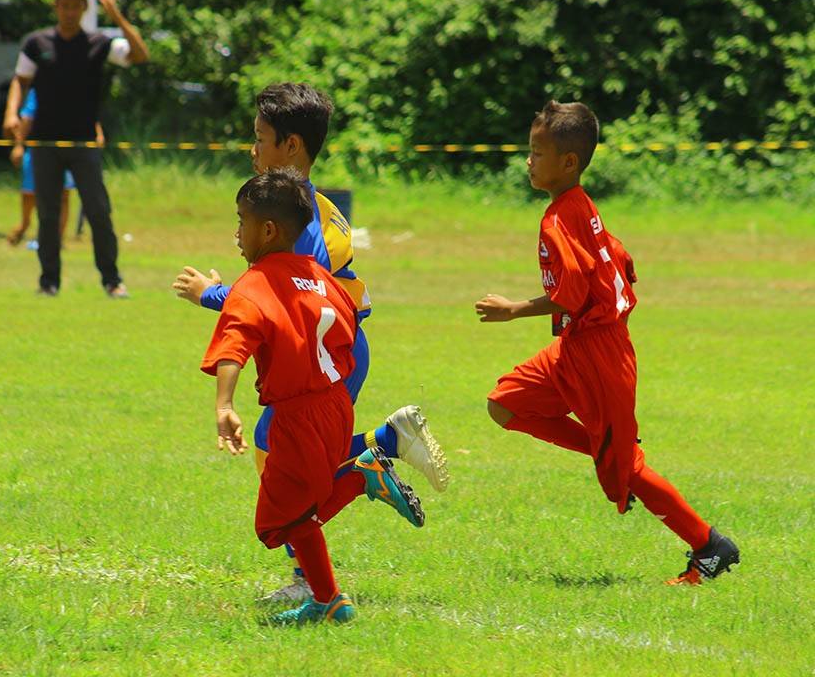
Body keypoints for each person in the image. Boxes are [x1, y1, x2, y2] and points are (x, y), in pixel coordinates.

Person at [174, 82, 448, 602]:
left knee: (286, 461)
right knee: (293, 454)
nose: (252, 149)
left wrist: (211, 294)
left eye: (261, 139)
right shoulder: (308, 203)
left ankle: (312, 574)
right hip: (338, 346)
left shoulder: (300, 227)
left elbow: (291, 301)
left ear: (292, 146)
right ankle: (382, 449)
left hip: (325, 355)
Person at [474, 100, 740, 586]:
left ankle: (708, 545)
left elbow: (571, 292)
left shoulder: (556, 220)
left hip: (598, 354)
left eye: (537, 152)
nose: (528, 161)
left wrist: (513, 309)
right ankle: (608, 449)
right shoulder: (581, 206)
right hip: (576, 348)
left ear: (568, 162)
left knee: (630, 471)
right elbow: (619, 258)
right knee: (505, 405)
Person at [202, 169, 425, 626]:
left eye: (241, 222)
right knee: (300, 510)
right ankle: (329, 600)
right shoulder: (321, 277)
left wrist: (225, 404)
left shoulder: (255, 283)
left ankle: (362, 477)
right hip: (336, 403)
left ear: (268, 230)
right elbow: (347, 328)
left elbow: (235, 342)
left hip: (298, 413)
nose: (236, 234)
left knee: (276, 522)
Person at [2, 0, 149, 297]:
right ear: (56, 7)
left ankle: (111, 279)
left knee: (98, 210)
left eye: (76, 5)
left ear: (84, 9)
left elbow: (139, 54)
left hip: (83, 142)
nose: (70, 11)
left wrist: (118, 19)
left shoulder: (98, 43)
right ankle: (49, 281)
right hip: (44, 143)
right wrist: (11, 114)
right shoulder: (36, 42)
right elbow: (21, 80)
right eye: (64, 5)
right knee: (48, 215)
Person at [7, 89, 106, 246]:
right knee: (30, 194)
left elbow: (88, 111)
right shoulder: (40, 89)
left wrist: (98, 132)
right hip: (40, 150)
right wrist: (19, 146)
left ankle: (57, 239)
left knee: (64, 195)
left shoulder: (77, 89)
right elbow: (27, 119)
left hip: (69, 149)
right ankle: (25, 225)